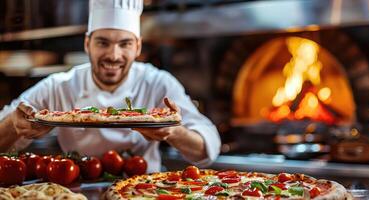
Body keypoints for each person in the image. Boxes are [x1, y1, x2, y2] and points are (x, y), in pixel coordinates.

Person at [0, 0, 220, 172]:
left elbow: (208, 148)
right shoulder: (60, 86)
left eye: (125, 44)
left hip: (142, 191)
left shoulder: (157, 83)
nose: (114, 56)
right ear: (87, 44)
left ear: (138, 47)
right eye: (103, 42)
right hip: (77, 193)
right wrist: (13, 124)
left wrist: (173, 131)